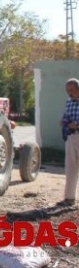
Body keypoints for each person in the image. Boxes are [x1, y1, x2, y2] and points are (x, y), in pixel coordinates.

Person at [58, 78, 79, 207]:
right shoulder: (69, 102)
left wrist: (76, 124)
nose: (69, 93)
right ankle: (69, 198)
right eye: (67, 91)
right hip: (71, 137)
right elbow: (66, 115)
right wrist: (64, 121)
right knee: (70, 168)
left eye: (71, 90)